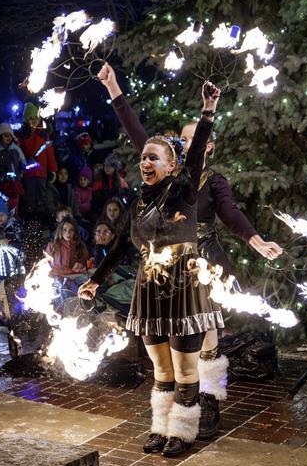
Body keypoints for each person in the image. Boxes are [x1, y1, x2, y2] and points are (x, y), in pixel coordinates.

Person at [97, 63, 283, 440]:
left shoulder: (209, 180)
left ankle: (206, 403)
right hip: (162, 265)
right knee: (171, 352)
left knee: (206, 342)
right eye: (179, 142)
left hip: (203, 259)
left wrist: (255, 239)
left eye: (191, 141)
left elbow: (230, 215)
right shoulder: (162, 180)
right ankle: (177, 413)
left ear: (206, 144)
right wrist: (114, 88)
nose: (184, 146)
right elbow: (138, 135)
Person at [79, 80, 223, 458]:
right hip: (150, 288)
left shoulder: (184, 191)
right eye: (143, 157)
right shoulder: (140, 203)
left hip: (183, 287)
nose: (146, 162)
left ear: (172, 165)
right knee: (160, 368)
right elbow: (123, 245)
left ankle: (183, 430)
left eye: (154, 158)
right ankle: (160, 427)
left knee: (184, 367)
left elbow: (194, 159)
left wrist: (207, 109)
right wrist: (95, 280)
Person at [17, 103, 58, 222]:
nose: (34, 121)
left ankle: (40, 223)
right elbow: (20, 153)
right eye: (31, 118)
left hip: (41, 173)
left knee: (41, 198)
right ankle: (30, 224)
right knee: (29, 199)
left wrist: (53, 169)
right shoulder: (22, 135)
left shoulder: (43, 134)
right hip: (28, 173)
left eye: (35, 118)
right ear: (26, 119)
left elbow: (49, 153)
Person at [0, 123, 25, 211]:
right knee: (4, 202)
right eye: (6, 135)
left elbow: (22, 159)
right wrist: (0, 172)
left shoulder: (16, 148)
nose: (8, 138)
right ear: (1, 136)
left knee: (15, 201)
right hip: (3, 182)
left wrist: (22, 168)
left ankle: (14, 217)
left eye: (10, 135)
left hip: (15, 181)